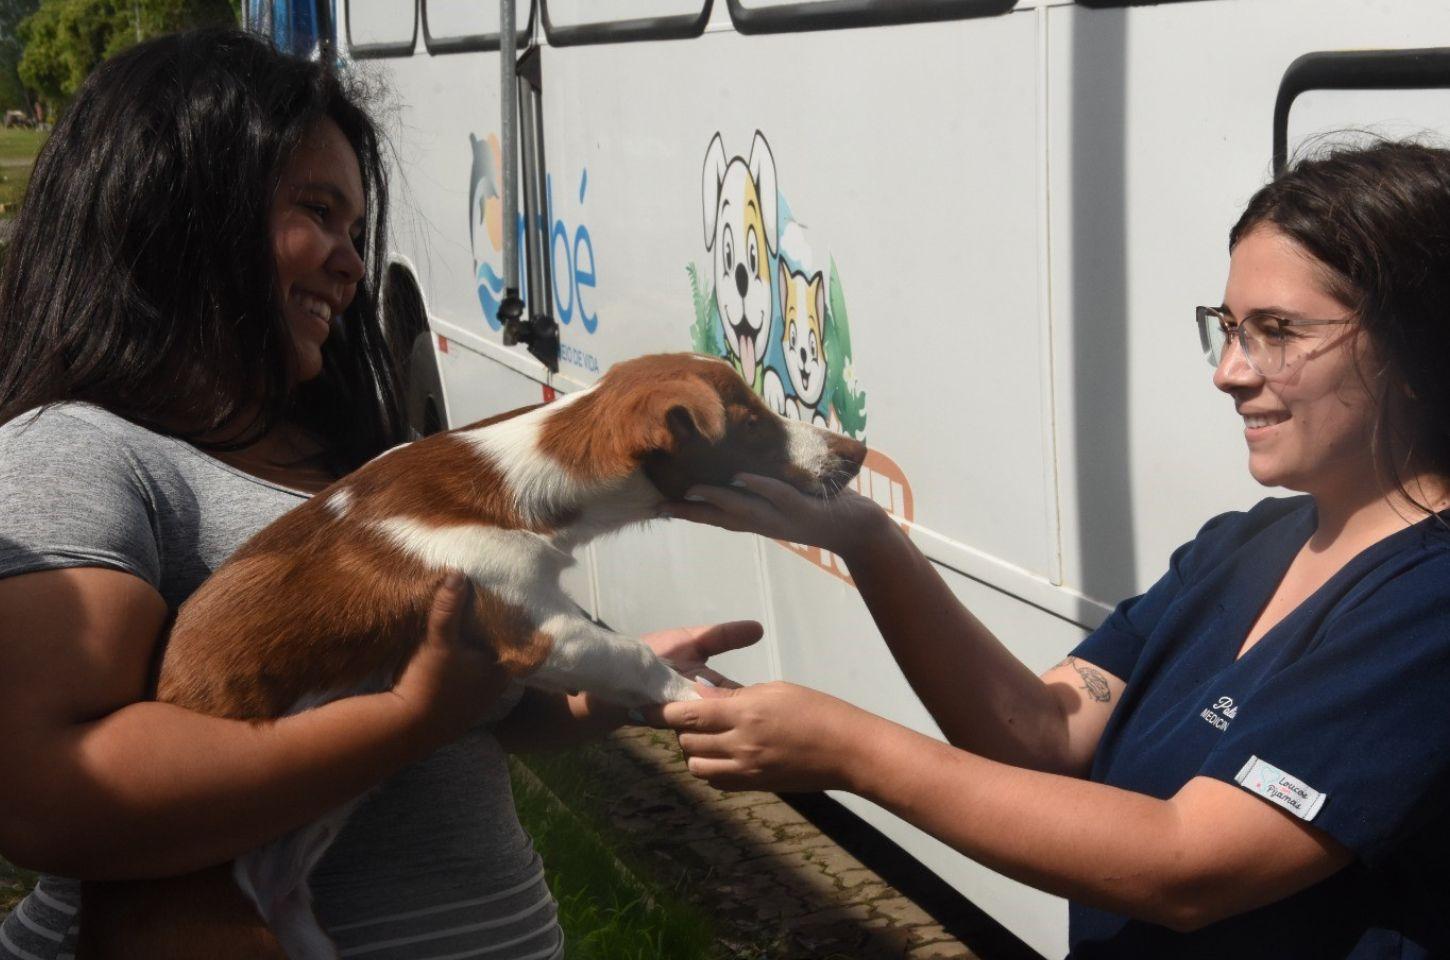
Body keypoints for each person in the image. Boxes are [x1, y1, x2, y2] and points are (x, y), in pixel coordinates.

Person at [0, 29, 755, 958]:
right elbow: (46, 793)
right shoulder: (76, 454)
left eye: (358, 230)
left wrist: (612, 682)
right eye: (317, 212)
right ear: (173, 206)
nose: (353, 263)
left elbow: (477, 710)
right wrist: (404, 723)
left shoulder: (360, 465)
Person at [656, 141, 1450, 958]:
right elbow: (1038, 732)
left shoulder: (1429, 603)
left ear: (1416, 347)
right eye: (1229, 329)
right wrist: (864, 537)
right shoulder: (1243, 547)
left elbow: (1190, 866)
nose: (1231, 372)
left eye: (1278, 331)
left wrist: (851, 751)